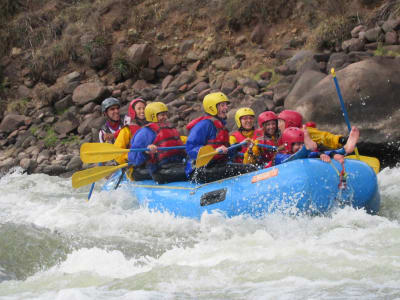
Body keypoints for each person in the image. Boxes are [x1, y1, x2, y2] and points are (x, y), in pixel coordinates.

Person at [185, 92, 257, 183]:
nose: (226, 108)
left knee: (250, 167)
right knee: (249, 169)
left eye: (226, 105)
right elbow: (190, 148)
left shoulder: (221, 126)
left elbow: (225, 153)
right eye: (222, 105)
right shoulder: (204, 125)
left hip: (215, 165)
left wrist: (239, 145)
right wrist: (213, 151)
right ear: (211, 107)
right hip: (198, 171)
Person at [128, 102, 187, 183]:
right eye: (162, 115)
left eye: (166, 114)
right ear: (152, 116)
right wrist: (146, 152)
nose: (165, 117)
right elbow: (133, 157)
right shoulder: (145, 132)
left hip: (176, 164)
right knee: (191, 172)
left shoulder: (170, 128)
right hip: (159, 169)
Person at [274, 125, 359, 166]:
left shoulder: (307, 154)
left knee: (320, 152)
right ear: (287, 145)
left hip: (307, 152)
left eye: (302, 144)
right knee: (302, 155)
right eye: (297, 144)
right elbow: (294, 159)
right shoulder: (278, 157)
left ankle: (345, 148)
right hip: (270, 174)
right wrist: (316, 153)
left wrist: (323, 154)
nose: (300, 147)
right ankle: (307, 148)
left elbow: (315, 154)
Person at [277, 110, 348, 150]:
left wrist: (340, 139)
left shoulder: (304, 131)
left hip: (328, 152)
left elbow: (324, 137)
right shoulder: (283, 137)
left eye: (280, 122)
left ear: (290, 123)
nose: (278, 125)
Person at [114, 98, 147, 165]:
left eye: (144, 108)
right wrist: (129, 157)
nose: (142, 111)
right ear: (133, 111)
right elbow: (117, 153)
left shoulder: (151, 126)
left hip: (150, 161)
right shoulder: (126, 130)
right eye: (139, 109)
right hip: (134, 164)